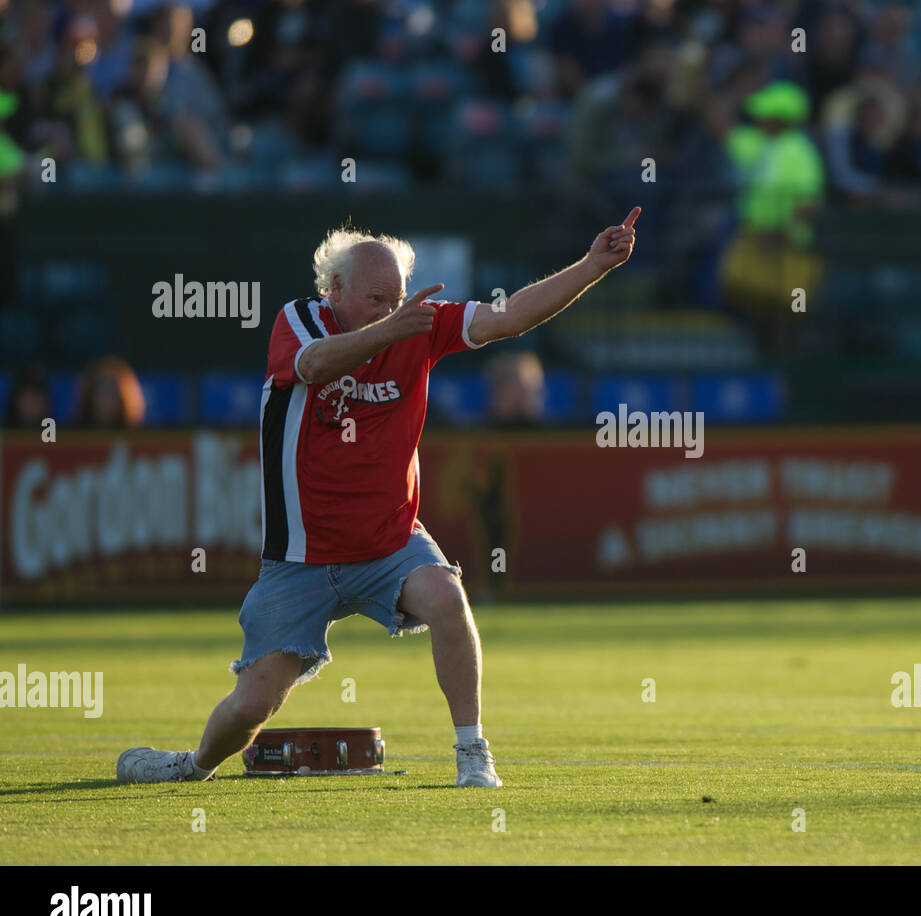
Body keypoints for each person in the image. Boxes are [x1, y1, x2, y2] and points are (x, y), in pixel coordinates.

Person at [116, 207, 641, 787]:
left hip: (389, 540)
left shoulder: (419, 324)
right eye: (376, 299)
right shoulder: (300, 320)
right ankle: (191, 766)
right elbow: (313, 365)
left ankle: (472, 754)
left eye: (397, 298)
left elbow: (510, 316)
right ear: (334, 289)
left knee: (448, 599)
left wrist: (593, 266)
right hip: (300, 558)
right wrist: (390, 329)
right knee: (250, 706)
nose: (393, 309)